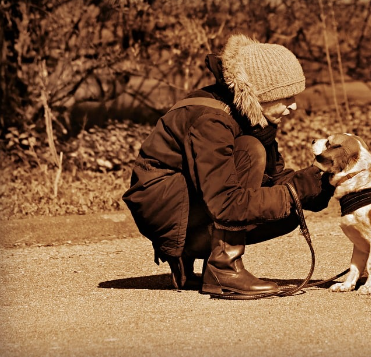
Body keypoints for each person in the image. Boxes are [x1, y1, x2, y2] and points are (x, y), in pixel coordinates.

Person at [122, 34, 334, 297]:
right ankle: (224, 268)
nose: (294, 106)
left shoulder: (249, 115)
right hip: (167, 213)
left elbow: (274, 178)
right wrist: (295, 193)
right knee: (252, 153)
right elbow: (227, 203)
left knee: (289, 210)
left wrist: (325, 181)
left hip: (188, 203)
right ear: (260, 94)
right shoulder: (212, 120)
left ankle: (197, 263)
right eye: (286, 97)